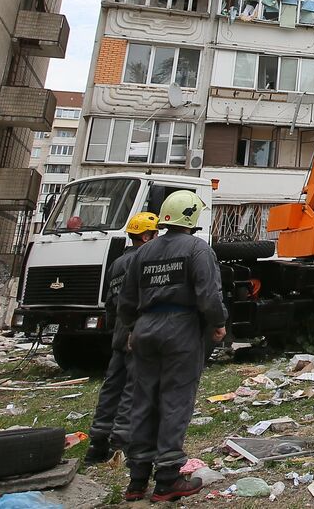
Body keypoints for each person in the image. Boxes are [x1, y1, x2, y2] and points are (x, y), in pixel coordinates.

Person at [117, 190, 227, 502]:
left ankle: (137, 479)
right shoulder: (197, 249)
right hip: (180, 329)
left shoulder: (143, 252)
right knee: (175, 400)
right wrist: (218, 323)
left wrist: (130, 328)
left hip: (145, 329)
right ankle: (166, 479)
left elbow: (126, 299)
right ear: (191, 217)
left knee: (143, 399)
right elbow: (209, 295)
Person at [83, 212, 158, 466]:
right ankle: (122, 443)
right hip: (136, 334)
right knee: (133, 388)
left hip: (119, 333)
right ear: (147, 236)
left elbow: (111, 303)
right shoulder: (144, 260)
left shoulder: (117, 263)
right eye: (156, 234)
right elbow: (143, 299)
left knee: (112, 387)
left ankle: (98, 442)